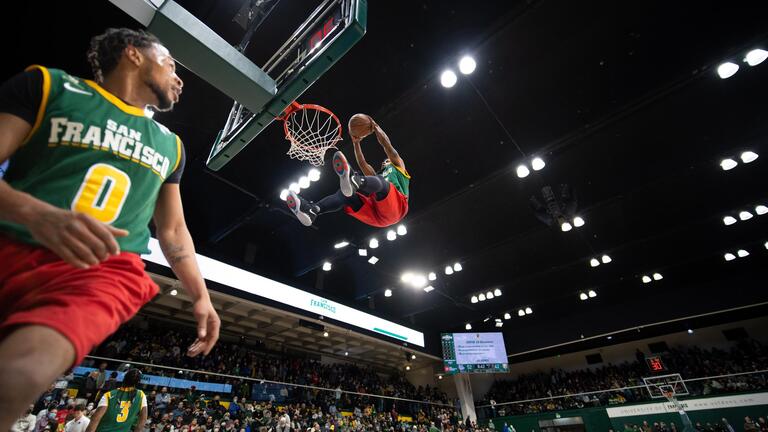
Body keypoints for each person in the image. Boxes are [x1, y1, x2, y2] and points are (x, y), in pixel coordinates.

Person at [0, 27, 220, 428]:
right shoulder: (49, 86)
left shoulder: (170, 146)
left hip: (102, 269)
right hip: (12, 238)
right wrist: (34, 213)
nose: (179, 76)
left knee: (23, 373)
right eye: (171, 62)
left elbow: (172, 232)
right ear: (134, 55)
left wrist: (201, 297)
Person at [287, 117, 410, 228]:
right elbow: (362, 163)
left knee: (379, 182)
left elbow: (387, 146)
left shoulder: (398, 167)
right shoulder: (376, 176)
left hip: (397, 210)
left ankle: (355, 181)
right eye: (385, 160)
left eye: (388, 159)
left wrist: (377, 127)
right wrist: (356, 143)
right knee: (346, 195)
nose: (386, 160)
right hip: (376, 213)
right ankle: (313, 210)